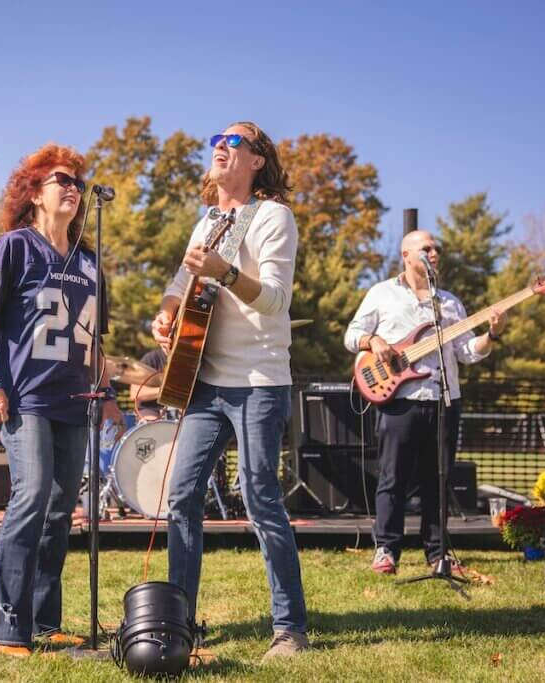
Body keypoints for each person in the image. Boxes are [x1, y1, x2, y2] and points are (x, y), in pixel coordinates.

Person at [151, 122, 309, 664]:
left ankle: (290, 629)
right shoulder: (209, 221)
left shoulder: (272, 217)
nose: (221, 144)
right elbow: (180, 284)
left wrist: (225, 271)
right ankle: (178, 623)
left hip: (260, 381)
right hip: (204, 380)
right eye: (217, 138)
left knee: (260, 495)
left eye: (235, 140)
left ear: (258, 160)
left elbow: (275, 301)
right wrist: (167, 314)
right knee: (181, 497)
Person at [0, 143, 123, 657]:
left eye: (78, 181)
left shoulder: (89, 262)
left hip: (74, 400)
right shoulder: (13, 247)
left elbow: (95, 340)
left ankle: (44, 619)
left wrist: (109, 395)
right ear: (34, 192)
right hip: (25, 398)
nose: (74, 188)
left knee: (60, 510)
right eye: (62, 179)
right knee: (31, 494)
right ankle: (7, 623)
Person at [344, 229, 507, 575]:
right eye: (426, 249)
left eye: (437, 249)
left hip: (443, 400)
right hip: (399, 399)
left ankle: (438, 553)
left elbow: (465, 352)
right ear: (406, 255)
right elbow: (351, 335)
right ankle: (387, 550)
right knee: (393, 477)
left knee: (439, 478)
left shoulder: (449, 302)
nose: (434, 254)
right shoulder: (381, 294)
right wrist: (373, 342)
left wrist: (490, 335)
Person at [129, 347, 166, 422]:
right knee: (151, 426)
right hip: (151, 409)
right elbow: (135, 393)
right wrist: (166, 391)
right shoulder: (151, 358)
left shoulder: (187, 357)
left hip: (182, 409)